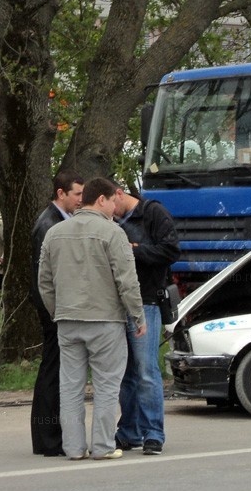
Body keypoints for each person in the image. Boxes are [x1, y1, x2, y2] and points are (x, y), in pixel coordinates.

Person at [38, 177, 146, 461]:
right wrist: (137, 315)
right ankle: (103, 446)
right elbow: (127, 280)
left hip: (67, 320)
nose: (115, 207)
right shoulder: (112, 233)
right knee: (107, 385)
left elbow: (45, 282)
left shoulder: (55, 233)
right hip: (105, 320)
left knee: (70, 386)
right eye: (113, 201)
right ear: (101, 200)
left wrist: (56, 312)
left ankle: (73, 448)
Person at [112, 185, 179, 456]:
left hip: (147, 301)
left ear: (118, 193)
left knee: (146, 371)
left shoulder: (153, 213)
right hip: (118, 305)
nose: (108, 212)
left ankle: (154, 434)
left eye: (108, 203)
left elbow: (171, 251)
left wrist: (134, 251)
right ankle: (128, 431)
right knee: (125, 373)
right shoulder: (112, 221)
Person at [30, 170, 84, 456]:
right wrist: (53, 311)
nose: (80, 199)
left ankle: (46, 438)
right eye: (77, 194)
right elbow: (44, 277)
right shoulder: (49, 224)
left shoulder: (56, 221)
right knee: (53, 372)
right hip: (52, 309)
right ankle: (49, 439)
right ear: (61, 194)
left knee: (53, 370)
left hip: (53, 307)